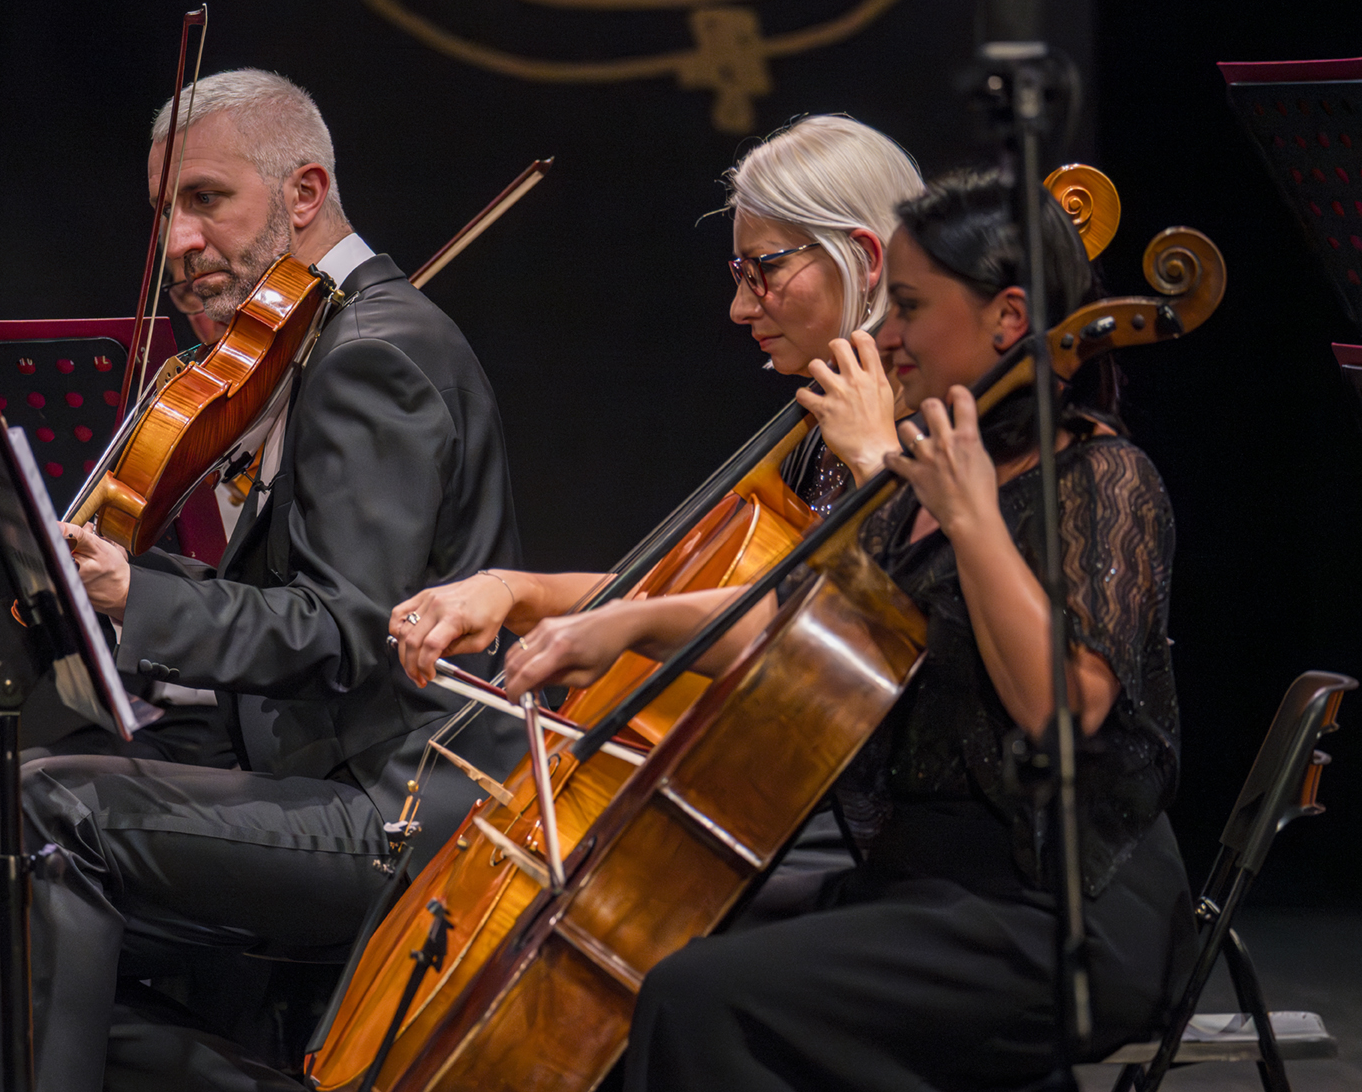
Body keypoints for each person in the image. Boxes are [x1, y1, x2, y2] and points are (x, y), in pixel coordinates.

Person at [0, 67, 525, 1091]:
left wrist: (135, 595)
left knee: (48, 815)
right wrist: (131, 581)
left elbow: (348, 630)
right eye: (164, 211)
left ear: (304, 194)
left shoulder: (377, 353)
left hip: (395, 806)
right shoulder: (298, 346)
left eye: (207, 199)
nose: (177, 241)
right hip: (310, 772)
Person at [496, 170, 1198, 1091]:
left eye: (910, 306)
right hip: (923, 880)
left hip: (1060, 905)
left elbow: (1060, 711)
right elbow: (794, 625)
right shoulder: (919, 484)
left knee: (702, 998)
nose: (886, 333)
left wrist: (970, 519)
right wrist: (622, 624)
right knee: (645, 945)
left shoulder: (1101, 479)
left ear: (1009, 318)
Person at [390, 114, 921, 684]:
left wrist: (877, 462)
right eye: (740, 274)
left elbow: (900, 611)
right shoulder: (814, 433)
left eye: (764, 270)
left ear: (864, 259)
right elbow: (683, 594)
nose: (740, 308)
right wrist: (515, 590)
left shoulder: (956, 424)